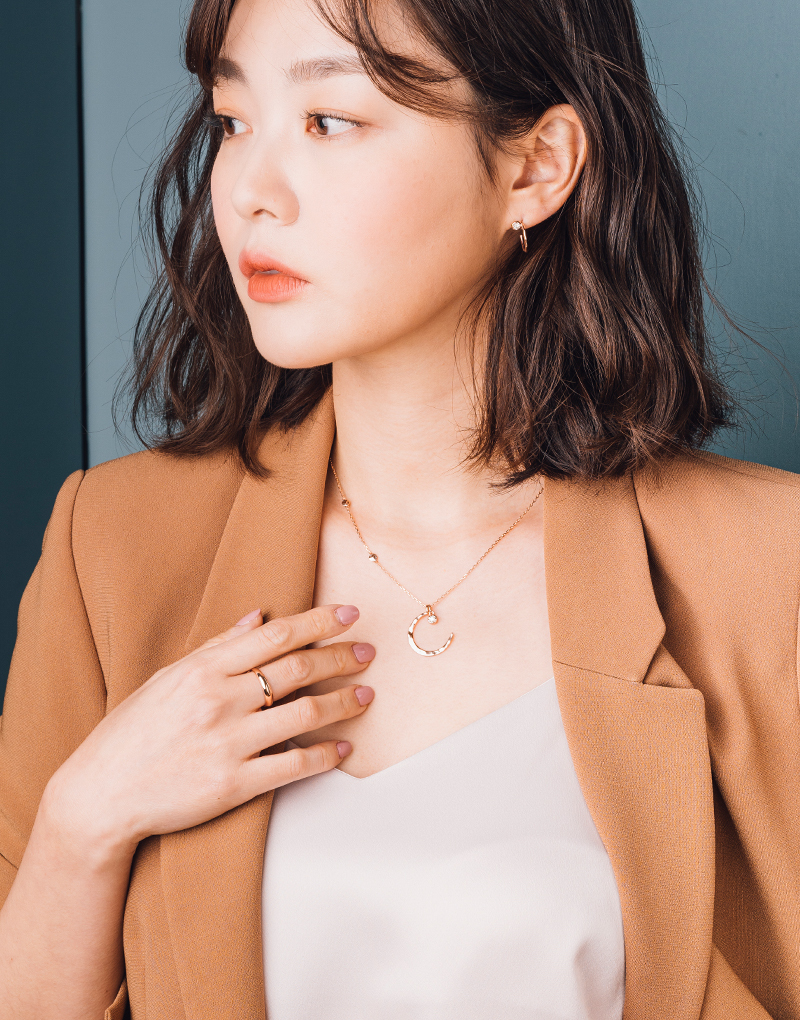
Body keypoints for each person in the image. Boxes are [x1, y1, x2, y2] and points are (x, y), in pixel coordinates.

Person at [1, 0, 798, 1015]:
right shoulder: (112, 544)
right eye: (232, 121)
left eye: (329, 121)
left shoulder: (767, 569)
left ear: (536, 166)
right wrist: (84, 823)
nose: (249, 191)